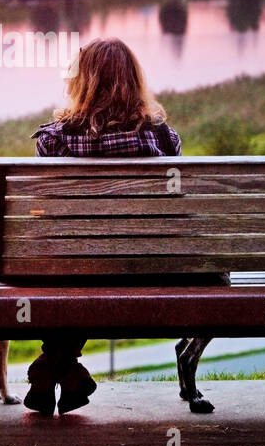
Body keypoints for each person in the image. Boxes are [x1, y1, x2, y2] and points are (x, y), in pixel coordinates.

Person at [25, 37, 182, 416]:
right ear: (133, 80)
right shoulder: (161, 138)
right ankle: (63, 370)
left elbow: (44, 214)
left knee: (76, 266)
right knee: (95, 266)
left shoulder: (55, 141)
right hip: (143, 269)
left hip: (69, 268)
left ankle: (51, 367)